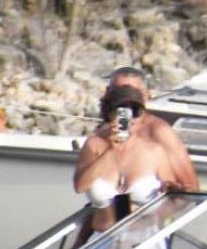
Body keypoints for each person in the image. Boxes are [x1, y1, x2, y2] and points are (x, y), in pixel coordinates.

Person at [74, 85, 188, 246]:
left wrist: (166, 196)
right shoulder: (94, 145)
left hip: (142, 245)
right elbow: (80, 186)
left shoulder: (154, 151)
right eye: (122, 111)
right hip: (99, 245)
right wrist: (110, 152)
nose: (130, 118)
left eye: (135, 111)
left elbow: (178, 200)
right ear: (110, 113)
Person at [75, 67, 199, 195]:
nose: (126, 98)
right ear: (108, 93)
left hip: (149, 213)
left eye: (134, 92)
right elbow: (80, 187)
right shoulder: (99, 138)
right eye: (119, 92)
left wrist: (169, 190)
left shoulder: (159, 132)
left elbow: (189, 187)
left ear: (146, 95)